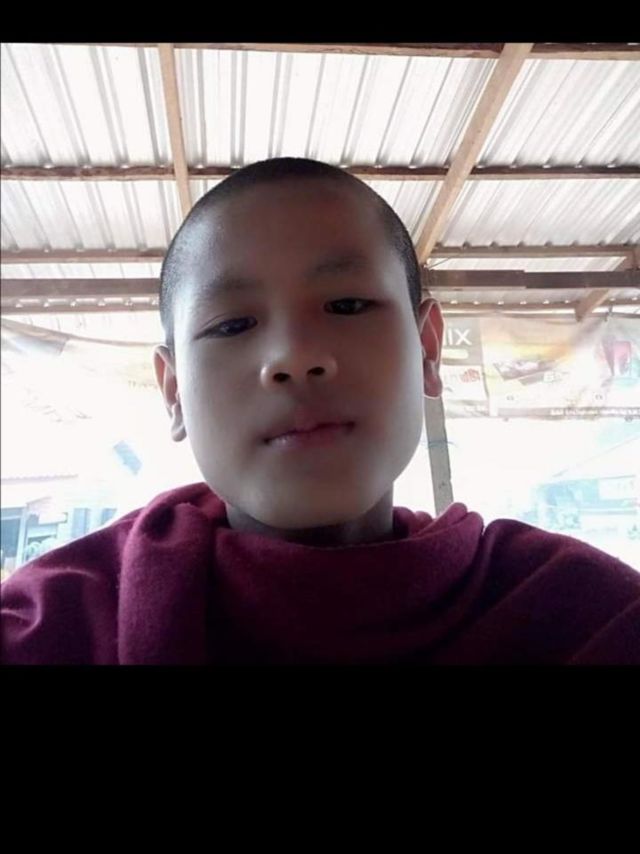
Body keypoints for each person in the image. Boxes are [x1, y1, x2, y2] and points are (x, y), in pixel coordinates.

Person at [2, 158, 638, 665]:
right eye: (232, 325)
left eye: (347, 306)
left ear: (427, 349)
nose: (294, 358)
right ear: (173, 393)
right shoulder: (54, 622)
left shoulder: (583, 614)